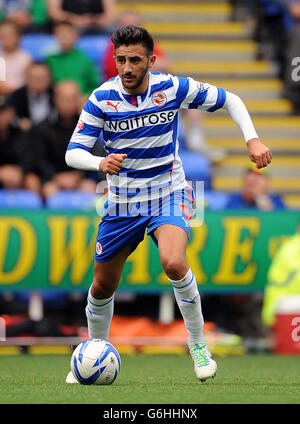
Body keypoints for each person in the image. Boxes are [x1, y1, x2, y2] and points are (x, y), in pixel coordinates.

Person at [65, 25, 272, 383]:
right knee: (101, 287)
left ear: (150, 60)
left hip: (169, 191)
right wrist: (99, 162)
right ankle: (95, 351)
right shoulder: (102, 98)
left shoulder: (171, 88)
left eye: (134, 60)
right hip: (123, 201)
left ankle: (198, 344)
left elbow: (232, 100)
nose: (126, 68)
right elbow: (73, 152)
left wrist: (251, 140)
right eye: (120, 60)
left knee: (174, 263)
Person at [29, 80, 97, 199]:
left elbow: (93, 156)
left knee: (89, 188)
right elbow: (40, 159)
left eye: (71, 99)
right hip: (53, 179)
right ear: (55, 99)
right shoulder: (43, 127)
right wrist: (56, 177)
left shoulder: (89, 127)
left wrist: (78, 176)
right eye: (64, 98)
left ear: (78, 101)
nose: (67, 103)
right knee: (49, 190)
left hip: (80, 179)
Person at [45, 21, 100, 98]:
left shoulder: (84, 59)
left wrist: (85, 97)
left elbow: (94, 85)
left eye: (67, 33)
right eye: (60, 34)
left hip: (81, 100)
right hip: (57, 99)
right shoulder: (50, 59)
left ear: (76, 36)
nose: (64, 37)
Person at [8, 61, 55, 130]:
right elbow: (8, 117)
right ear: (26, 78)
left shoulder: (56, 95)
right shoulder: (16, 96)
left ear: (49, 78)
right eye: (34, 77)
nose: (38, 81)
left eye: (42, 77)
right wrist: (19, 122)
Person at [0, 20, 33, 96]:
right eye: (3, 36)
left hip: (19, 95)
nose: (7, 38)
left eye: (10, 35)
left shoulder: (26, 58)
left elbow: (28, 82)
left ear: (19, 36)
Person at [47, 0, 117, 34]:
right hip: (70, 26)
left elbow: (111, 14)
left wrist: (100, 20)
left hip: (98, 26)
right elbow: (54, 13)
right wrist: (74, 20)